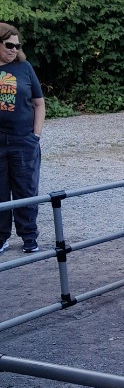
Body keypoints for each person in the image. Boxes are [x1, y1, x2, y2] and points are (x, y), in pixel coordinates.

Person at [0, 23, 45, 254]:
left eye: (17, 46)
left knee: (25, 189)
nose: (14, 50)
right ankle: (1, 238)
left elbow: (39, 103)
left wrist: (35, 135)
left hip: (23, 140)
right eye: (9, 45)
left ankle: (29, 236)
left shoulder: (24, 67)